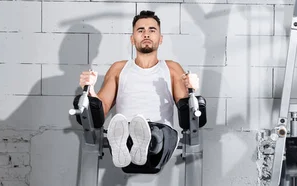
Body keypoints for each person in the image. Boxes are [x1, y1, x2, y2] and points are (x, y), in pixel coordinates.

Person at [76, 10, 204, 173]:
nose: (146, 34)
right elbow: (101, 108)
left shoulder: (171, 68)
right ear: (132, 39)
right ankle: (128, 144)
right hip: (125, 129)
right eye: (140, 30)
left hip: (161, 133)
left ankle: (144, 142)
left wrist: (192, 89)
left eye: (152, 30)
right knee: (127, 129)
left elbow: (185, 108)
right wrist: (90, 89)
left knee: (155, 134)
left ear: (160, 38)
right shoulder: (119, 68)